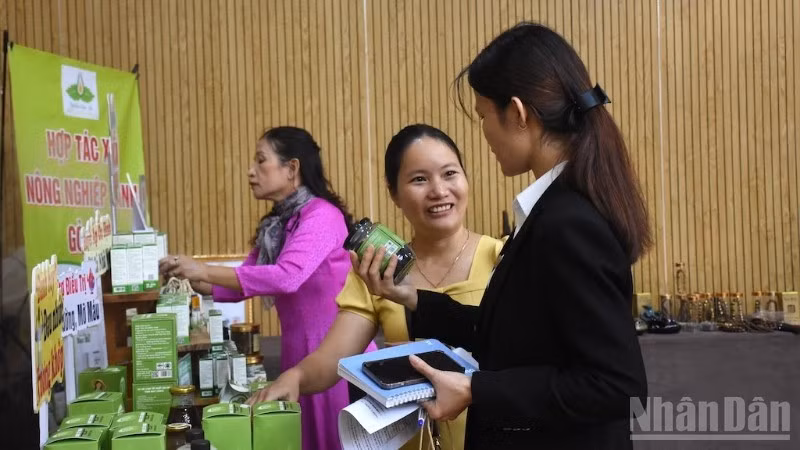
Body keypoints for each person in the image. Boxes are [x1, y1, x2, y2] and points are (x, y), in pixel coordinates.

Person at [352, 23, 651, 449]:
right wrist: (412, 298)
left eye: (483, 117)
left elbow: (617, 385)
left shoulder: (568, 223)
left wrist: (478, 389)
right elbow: (512, 335)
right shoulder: (552, 211)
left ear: (517, 112)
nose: (486, 135)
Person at [247, 124, 504, 450]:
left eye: (450, 174)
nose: (439, 190)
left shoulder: (502, 258)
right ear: (394, 193)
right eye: (419, 179)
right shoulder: (377, 272)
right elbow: (332, 358)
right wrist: (295, 376)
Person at [159, 126, 360, 450]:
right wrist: (197, 282)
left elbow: (285, 277)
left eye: (261, 161)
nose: (251, 172)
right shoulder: (276, 225)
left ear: (291, 168)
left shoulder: (322, 215)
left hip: (335, 354)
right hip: (297, 353)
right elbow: (251, 278)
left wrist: (204, 268)